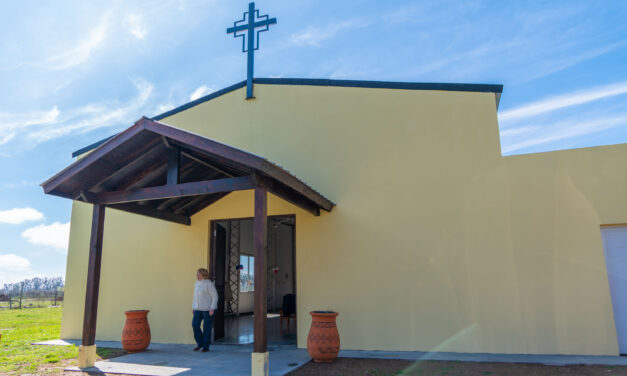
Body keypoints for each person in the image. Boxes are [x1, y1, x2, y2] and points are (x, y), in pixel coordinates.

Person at [192, 268, 219, 352]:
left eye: (198, 274)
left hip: (208, 309)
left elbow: (215, 296)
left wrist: (212, 308)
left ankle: (205, 346)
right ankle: (200, 343)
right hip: (198, 309)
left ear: (203, 275)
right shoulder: (196, 283)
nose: (197, 276)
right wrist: (193, 307)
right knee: (195, 325)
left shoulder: (209, 284)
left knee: (206, 328)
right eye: (197, 274)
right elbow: (194, 296)